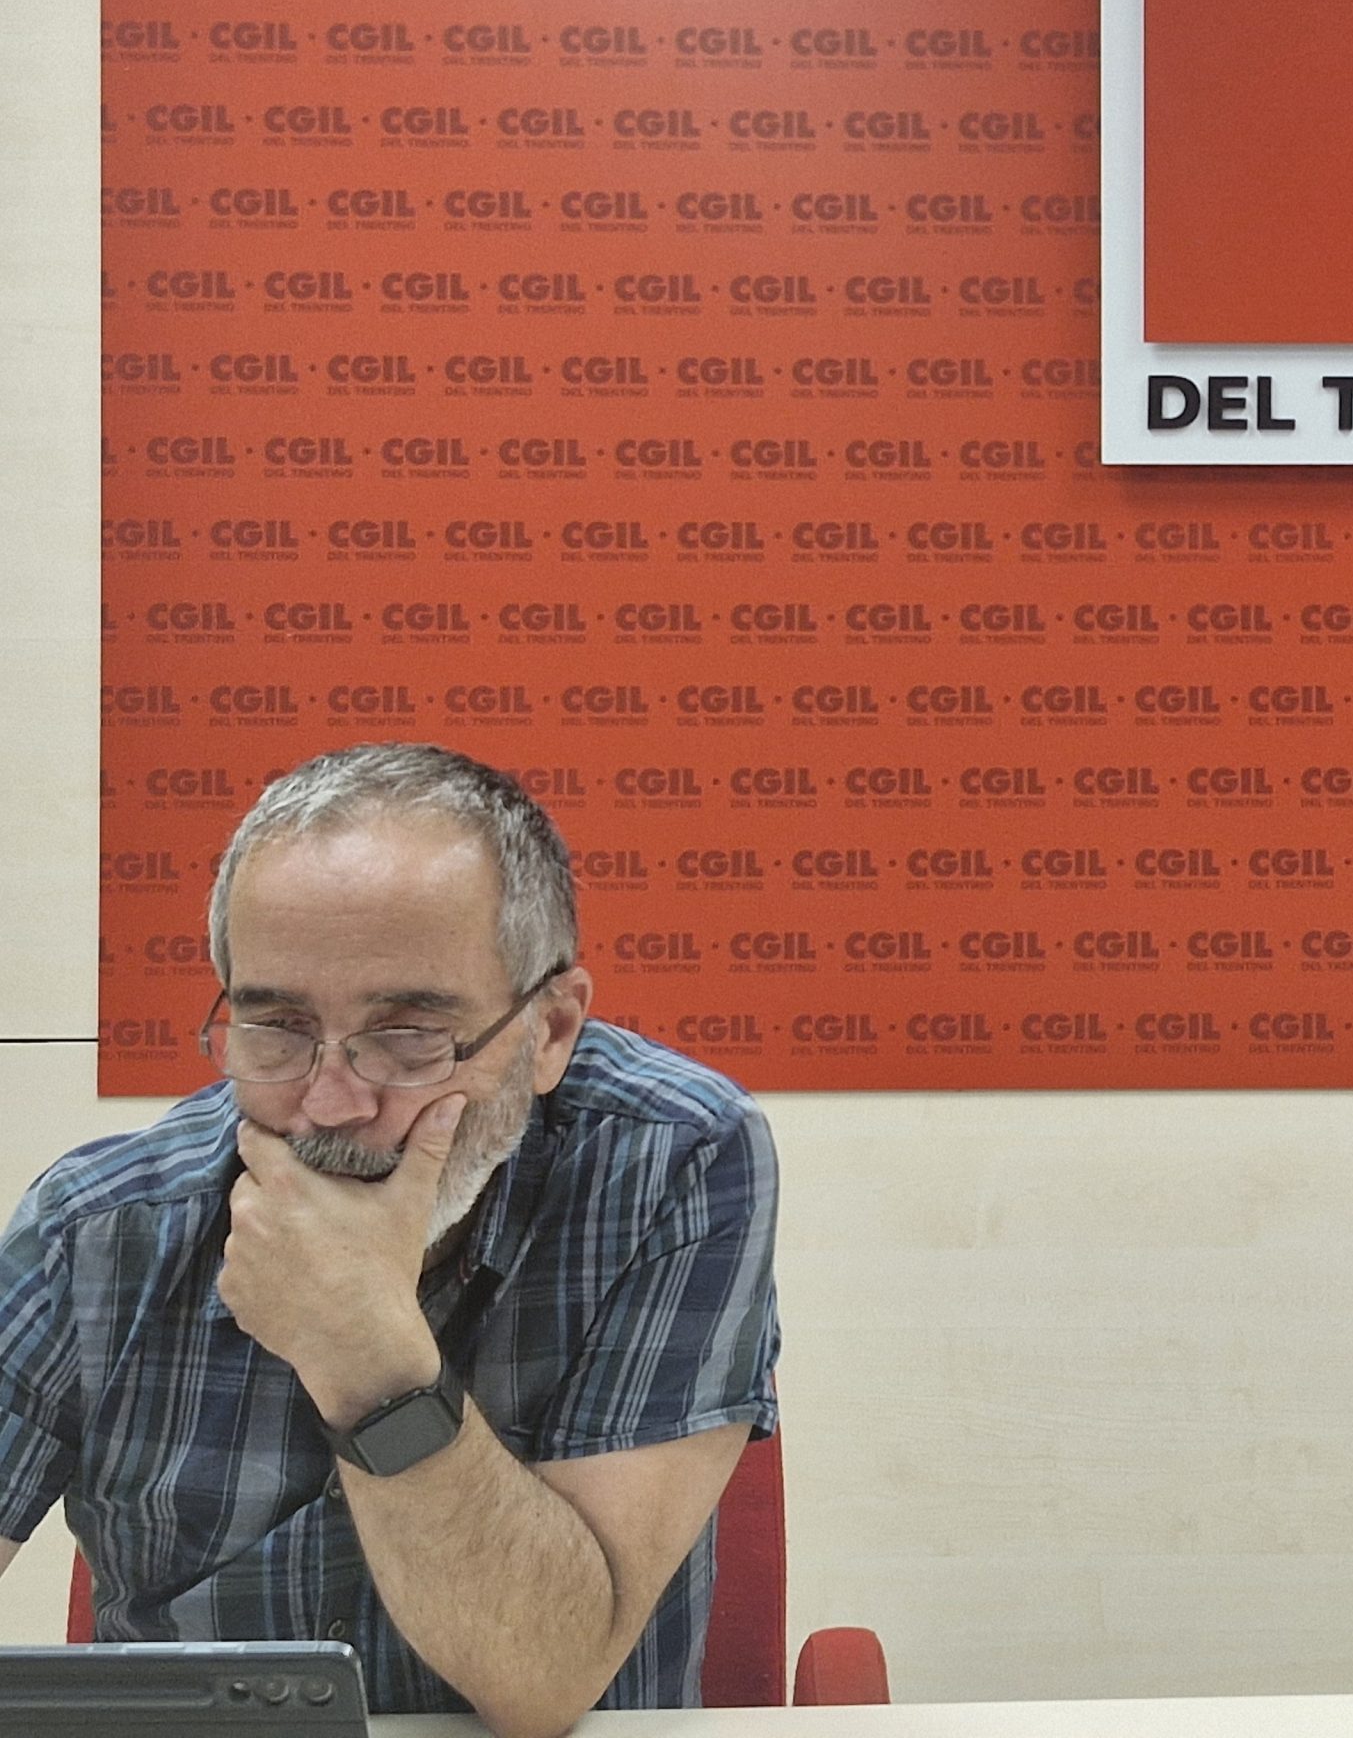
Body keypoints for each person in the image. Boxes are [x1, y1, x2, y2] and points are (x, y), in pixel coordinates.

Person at [0, 745, 780, 1738]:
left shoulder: (672, 1158)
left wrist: (364, 1350)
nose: (332, 1103)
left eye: (408, 1035)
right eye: (278, 1027)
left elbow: (542, 1683)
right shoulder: (97, 1225)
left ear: (548, 1030)